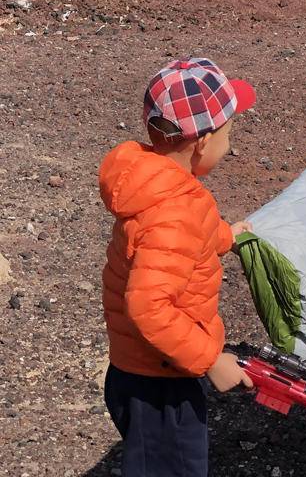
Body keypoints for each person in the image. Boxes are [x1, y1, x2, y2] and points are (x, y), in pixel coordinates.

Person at [99, 56, 259, 477]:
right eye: (230, 131)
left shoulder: (155, 183)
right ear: (203, 142)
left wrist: (226, 235)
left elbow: (178, 242)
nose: (231, 142)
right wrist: (210, 359)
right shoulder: (176, 211)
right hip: (159, 383)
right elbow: (149, 307)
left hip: (141, 368)